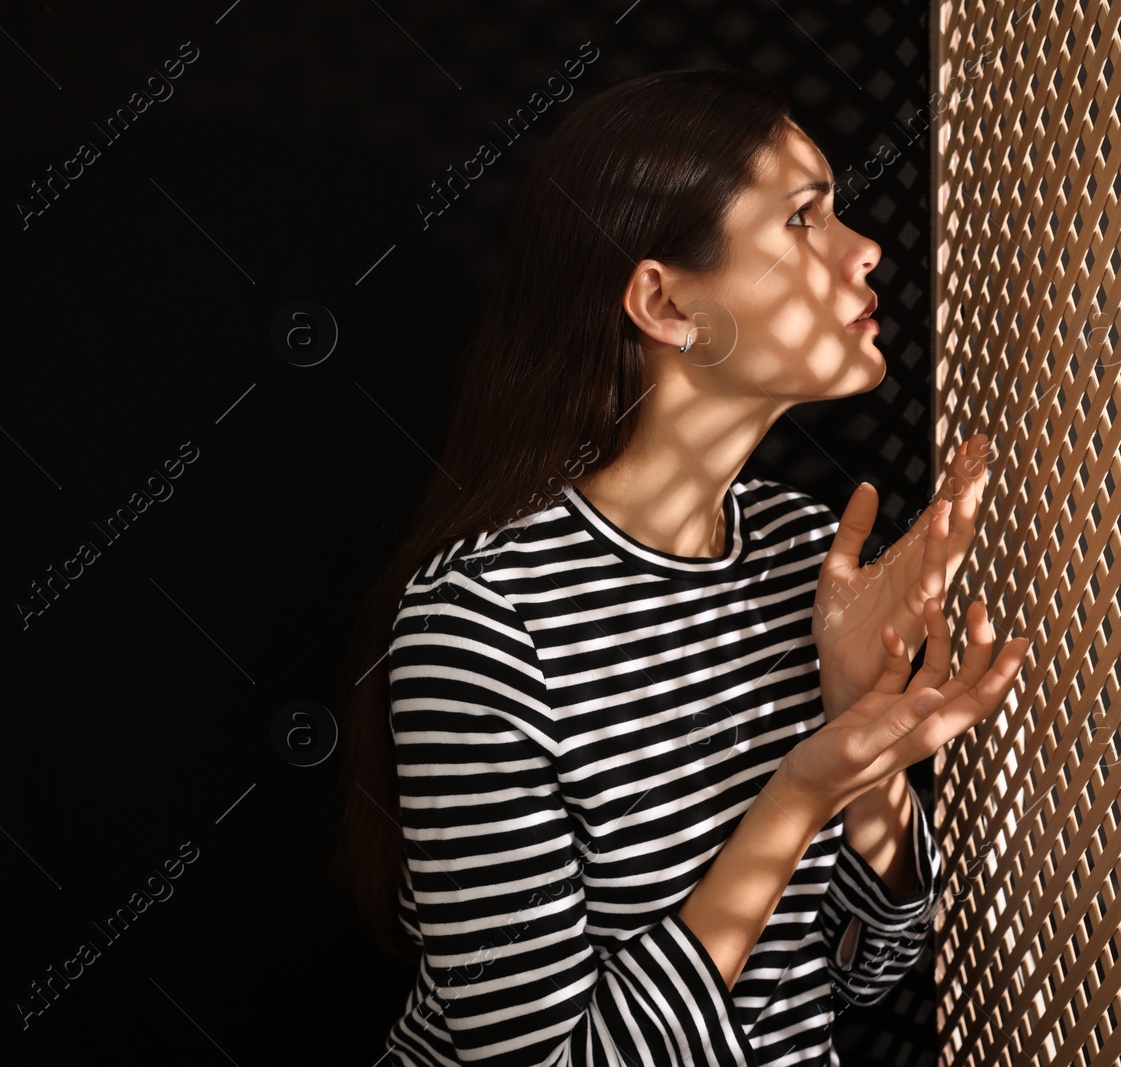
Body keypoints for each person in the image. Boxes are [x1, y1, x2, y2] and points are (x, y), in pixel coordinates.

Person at [331, 67, 1029, 1066]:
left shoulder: (801, 553)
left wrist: (861, 739)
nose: (864, 248)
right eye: (802, 219)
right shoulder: (483, 625)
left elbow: (860, 969)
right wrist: (797, 795)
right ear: (664, 302)